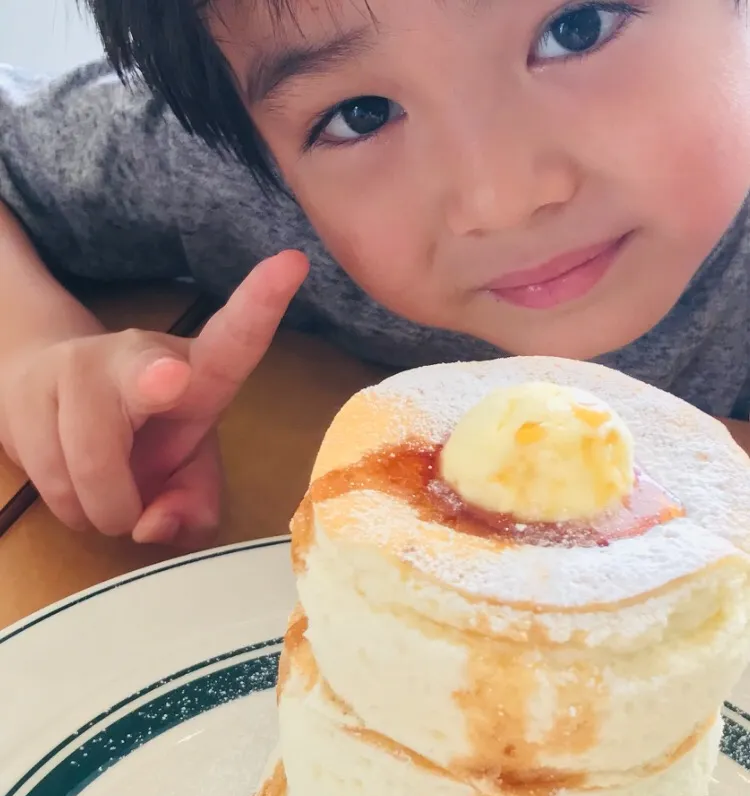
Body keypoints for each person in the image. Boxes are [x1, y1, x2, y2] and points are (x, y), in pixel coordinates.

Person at [0, 0, 749, 545]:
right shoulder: (229, 175)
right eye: (361, 113)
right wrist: (31, 350)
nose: (499, 199)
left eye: (574, 30)